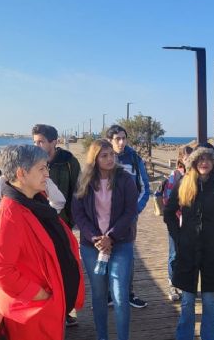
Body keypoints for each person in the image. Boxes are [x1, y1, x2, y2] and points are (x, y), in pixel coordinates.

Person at [0, 145, 84, 340]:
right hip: (32, 314)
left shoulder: (36, 203)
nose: (47, 174)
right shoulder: (10, 214)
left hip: (49, 310)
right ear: (21, 173)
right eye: (42, 169)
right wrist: (40, 294)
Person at [163, 143, 214, 340]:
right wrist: (178, 237)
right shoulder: (184, 182)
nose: (204, 163)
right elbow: (169, 213)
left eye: (208, 159)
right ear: (194, 161)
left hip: (213, 251)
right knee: (187, 301)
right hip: (188, 250)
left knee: (209, 301)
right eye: (200, 159)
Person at [72, 139, 138, 340]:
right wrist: (96, 238)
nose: (110, 159)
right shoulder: (84, 180)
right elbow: (78, 213)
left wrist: (110, 237)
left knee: (120, 295)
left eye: (112, 154)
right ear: (95, 158)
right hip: (92, 247)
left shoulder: (125, 179)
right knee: (99, 295)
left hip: (121, 243)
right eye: (104, 155)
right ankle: (102, 337)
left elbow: (130, 211)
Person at [33, 123, 82, 326]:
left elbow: (78, 192)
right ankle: (47, 310)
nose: (36, 145)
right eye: (34, 141)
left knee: (63, 267)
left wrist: (71, 219)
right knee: (41, 270)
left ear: (54, 142)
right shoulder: (31, 161)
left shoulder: (69, 162)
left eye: (41, 141)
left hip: (62, 224)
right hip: (36, 225)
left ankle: (65, 310)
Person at [106, 124, 150, 308]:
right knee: (105, 254)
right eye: (117, 139)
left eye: (124, 138)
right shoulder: (103, 158)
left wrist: (134, 211)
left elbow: (145, 188)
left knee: (128, 255)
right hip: (105, 218)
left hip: (128, 219)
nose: (122, 142)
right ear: (109, 141)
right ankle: (108, 295)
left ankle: (128, 293)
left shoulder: (134, 158)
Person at [156, 145, 193, 302]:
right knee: (174, 253)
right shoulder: (175, 177)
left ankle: (185, 284)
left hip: (192, 224)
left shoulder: (197, 175)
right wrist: (178, 218)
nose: (189, 160)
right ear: (180, 159)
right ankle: (172, 284)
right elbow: (168, 201)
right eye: (186, 157)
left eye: (191, 157)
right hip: (176, 223)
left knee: (188, 254)